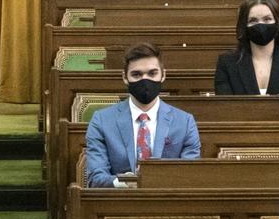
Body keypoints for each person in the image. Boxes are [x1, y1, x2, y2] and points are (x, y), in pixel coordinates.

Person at [84, 43, 201, 188]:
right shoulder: (101, 121)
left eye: (152, 73)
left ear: (163, 75)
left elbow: (190, 176)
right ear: (125, 78)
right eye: (136, 74)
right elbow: (95, 178)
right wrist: (120, 183)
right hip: (119, 205)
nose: (145, 80)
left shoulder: (185, 122)